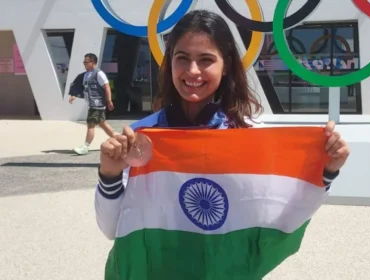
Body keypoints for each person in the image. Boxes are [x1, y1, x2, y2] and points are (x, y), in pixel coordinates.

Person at [95, 10, 350, 279]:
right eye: (182, 59)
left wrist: (327, 171)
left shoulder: (249, 136)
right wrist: (109, 176)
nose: (193, 71)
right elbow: (111, 228)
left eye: (206, 60)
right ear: (170, 62)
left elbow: (282, 211)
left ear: (225, 65)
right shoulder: (141, 137)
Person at [69, 53, 116, 155]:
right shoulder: (86, 75)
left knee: (91, 124)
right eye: (84, 62)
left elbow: (107, 87)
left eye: (86, 62)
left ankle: (85, 146)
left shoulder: (99, 73)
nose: (84, 64)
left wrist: (109, 101)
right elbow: (83, 88)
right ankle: (117, 139)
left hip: (97, 104)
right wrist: (74, 95)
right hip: (92, 103)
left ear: (93, 63)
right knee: (102, 123)